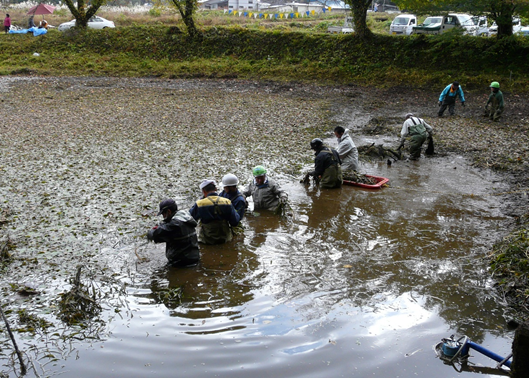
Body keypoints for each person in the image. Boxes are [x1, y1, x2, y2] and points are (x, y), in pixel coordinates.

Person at [147, 199, 200, 266]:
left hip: (180, 262)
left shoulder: (174, 225)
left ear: (168, 211)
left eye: (163, 214)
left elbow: (155, 234)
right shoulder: (185, 217)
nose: (163, 217)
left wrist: (152, 231)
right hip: (194, 258)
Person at [189, 179, 240, 245]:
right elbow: (235, 222)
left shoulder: (200, 203)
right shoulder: (227, 202)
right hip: (225, 239)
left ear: (203, 191)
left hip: (207, 240)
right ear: (215, 189)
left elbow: (190, 220)